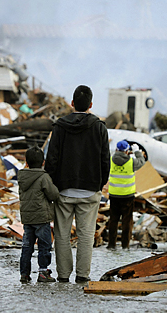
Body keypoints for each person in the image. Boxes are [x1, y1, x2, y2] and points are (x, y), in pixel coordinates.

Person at [45, 85, 110, 283]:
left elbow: (52, 160)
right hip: (90, 191)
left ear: (72, 103)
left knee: (62, 235)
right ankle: (83, 276)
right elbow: (105, 160)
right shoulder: (99, 127)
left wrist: (53, 185)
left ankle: (63, 275)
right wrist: (100, 183)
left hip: (63, 191)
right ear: (90, 104)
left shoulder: (59, 127)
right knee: (86, 235)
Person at [18, 146, 60, 283]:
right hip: (42, 217)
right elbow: (53, 194)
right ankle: (43, 271)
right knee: (44, 246)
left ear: (27, 162)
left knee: (27, 246)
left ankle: (24, 274)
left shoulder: (22, 177)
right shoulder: (44, 177)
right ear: (43, 162)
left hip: (27, 218)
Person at [106, 140, 145, 249]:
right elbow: (142, 162)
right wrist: (137, 152)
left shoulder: (110, 161)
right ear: (127, 151)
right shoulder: (131, 162)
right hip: (127, 196)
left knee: (113, 220)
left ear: (117, 150)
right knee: (126, 222)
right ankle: (125, 245)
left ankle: (111, 244)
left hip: (114, 195)